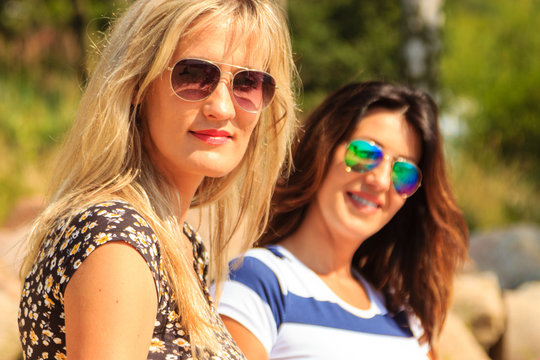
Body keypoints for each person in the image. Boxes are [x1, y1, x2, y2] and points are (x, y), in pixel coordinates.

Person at [17, 0, 298, 359]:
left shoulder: (178, 242)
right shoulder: (117, 241)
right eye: (194, 75)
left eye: (248, 83)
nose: (223, 108)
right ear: (137, 83)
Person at [217, 81, 469, 359]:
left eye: (403, 172)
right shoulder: (255, 282)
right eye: (366, 153)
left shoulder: (403, 313)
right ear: (323, 147)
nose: (381, 181)